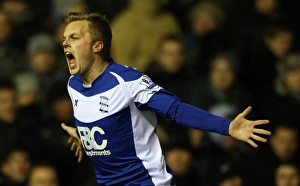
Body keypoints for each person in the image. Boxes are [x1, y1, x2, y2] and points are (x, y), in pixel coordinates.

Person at [60, 12, 271, 185]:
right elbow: (109, 124)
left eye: (74, 38)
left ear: (98, 46)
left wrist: (227, 127)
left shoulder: (128, 82)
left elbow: (176, 110)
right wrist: (83, 134)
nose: (65, 43)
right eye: (64, 39)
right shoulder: (74, 85)